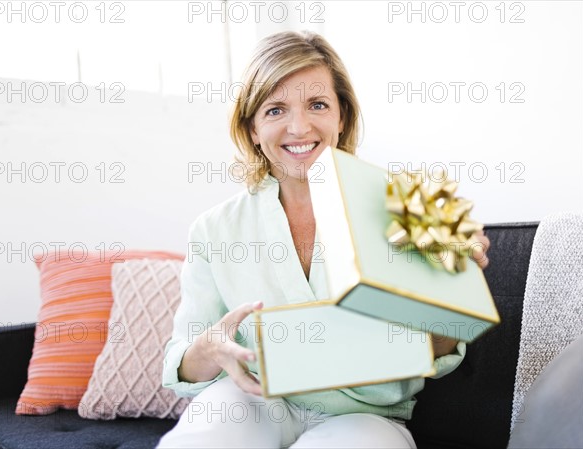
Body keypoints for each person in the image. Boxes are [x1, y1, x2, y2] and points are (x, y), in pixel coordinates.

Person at [157, 30, 490, 449]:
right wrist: (208, 349)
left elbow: (437, 352)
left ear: (342, 117)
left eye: (317, 105)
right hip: (254, 401)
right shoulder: (213, 230)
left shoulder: (405, 208)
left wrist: (456, 289)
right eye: (275, 109)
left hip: (364, 416)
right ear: (253, 129)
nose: (299, 127)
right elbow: (180, 365)